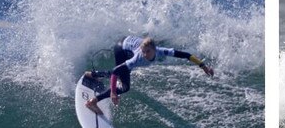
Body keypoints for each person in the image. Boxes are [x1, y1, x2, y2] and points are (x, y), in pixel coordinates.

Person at [84, 36, 214, 114]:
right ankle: (92, 102)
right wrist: (113, 92)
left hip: (126, 42)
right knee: (124, 86)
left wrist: (203, 65)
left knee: (122, 73)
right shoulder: (138, 59)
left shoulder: (161, 52)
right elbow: (115, 71)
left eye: (148, 51)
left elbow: (185, 55)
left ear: (154, 49)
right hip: (121, 48)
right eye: (143, 51)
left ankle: (92, 74)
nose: (145, 54)